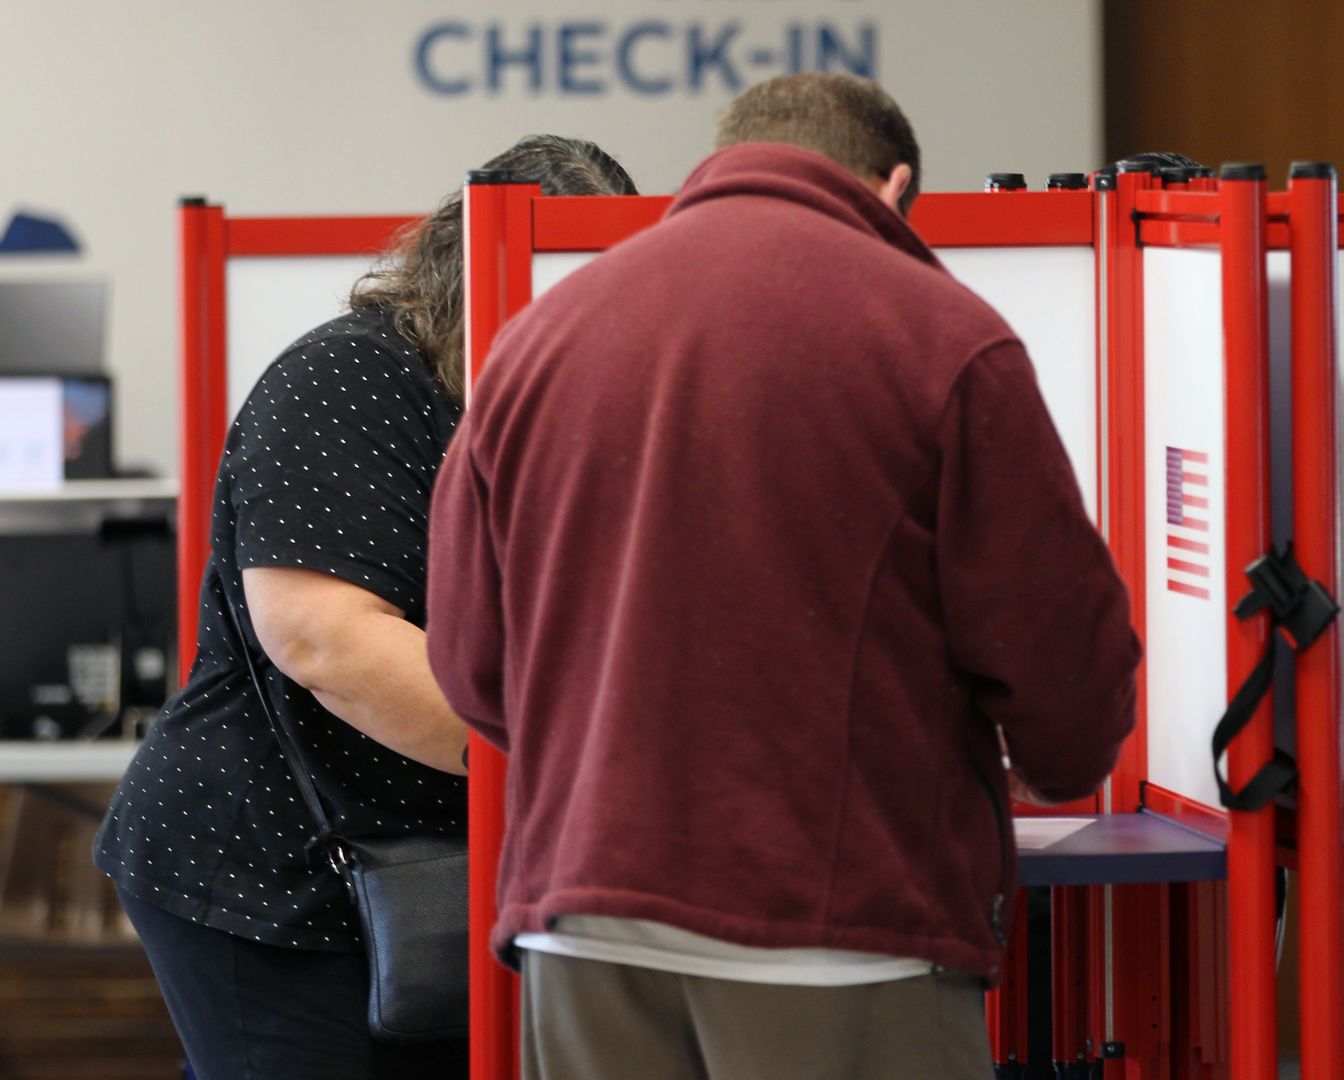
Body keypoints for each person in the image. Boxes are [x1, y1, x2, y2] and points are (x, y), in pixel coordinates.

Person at [426, 74, 1140, 1080]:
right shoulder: (942, 337)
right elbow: (1062, 652)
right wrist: (1052, 763)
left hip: (580, 927)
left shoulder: (541, 337)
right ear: (891, 188)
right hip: (838, 935)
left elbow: (468, 664)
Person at [92, 135, 635, 1080]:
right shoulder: (350, 378)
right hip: (262, 862)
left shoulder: (558, 410)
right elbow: (324, 637)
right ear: (462, 274)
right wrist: (565, 762)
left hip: (422, 861)